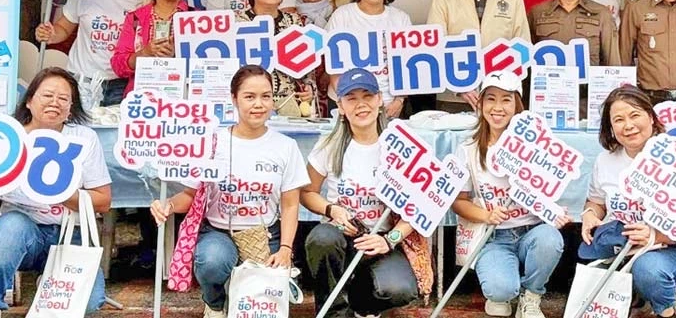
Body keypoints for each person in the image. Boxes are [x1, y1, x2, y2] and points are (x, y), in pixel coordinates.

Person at [150, 65, 309, 318]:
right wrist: (167, 205)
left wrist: (286, 249)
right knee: (211, 261)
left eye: (266, 96)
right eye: (249, 97)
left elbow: (290, 204)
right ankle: (215, 304)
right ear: (234, 99)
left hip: (265, 235)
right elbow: (189, 195)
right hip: (218, 232)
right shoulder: (213, 143)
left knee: (264, 304)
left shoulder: (286, 146)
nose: (258, 104)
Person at [0, 68, 111, 318]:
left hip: (70, 232)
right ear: (29, 101)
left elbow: (103, 201)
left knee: (89, 302)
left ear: (71, 108)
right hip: (21, 232)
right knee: (10, 228)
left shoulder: (84, 138)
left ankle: (48, 282)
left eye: (63, 98)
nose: (55, 103)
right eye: (48, 95)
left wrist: (59, 192)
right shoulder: (9, 137)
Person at [303, 68, 426, 318]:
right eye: (351, 98)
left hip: (381, 238)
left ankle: (362, 304)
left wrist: (389, 240)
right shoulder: (330, 146)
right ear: (341, 106)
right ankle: (334, 313)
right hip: (340, 235)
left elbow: (420, 206)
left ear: (380, 100)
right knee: (322, 240)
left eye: (367, 96)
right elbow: (307, 192)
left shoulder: (400, 147)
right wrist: (332, 209)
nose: (361, 105)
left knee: (400, 290)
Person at [451, 71, 568, 318]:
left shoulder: (537, 147)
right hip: (494, 237)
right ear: (480, 103)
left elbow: (549, 191)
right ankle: (502, 291)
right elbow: (459, 202)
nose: (498, 107)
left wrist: (555, 211)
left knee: (550, 239)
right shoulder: (469, 149)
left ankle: (532, 295)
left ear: (517, 105)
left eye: (506, 100)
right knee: (500, 291)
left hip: (532, 230)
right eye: (491, 99)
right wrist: (486, 215)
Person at [580, 85, 676, 318]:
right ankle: (635, 299)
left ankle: (665, 312)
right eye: (618, 120)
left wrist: (655, 236)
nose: (628, 125)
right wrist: (589, 214)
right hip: (620, 246)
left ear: (651, 117)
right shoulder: (605, 160)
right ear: (610, 127)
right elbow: (596, 201)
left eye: (635, 115)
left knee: (648, 269)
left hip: (671, 251)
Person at [34, 0, 147, 110]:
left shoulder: (145, 0)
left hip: (123, 82)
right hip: (82, 80)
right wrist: (50, 34)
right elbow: (64, 28)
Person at [428, 0, 530, 112]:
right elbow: (434, 48)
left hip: (499, 99)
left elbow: (522, 47)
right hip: (453, 98)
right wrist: (459, 87)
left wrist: (501, 87)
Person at [326, 0, 411, 117]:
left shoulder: (401, 19)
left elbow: (407, 68)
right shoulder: (341, 16)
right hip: (346, 105)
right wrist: (348, 102)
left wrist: (399, 100)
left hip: (389, 107)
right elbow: (333, 69)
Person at [238, 0, 320, 118]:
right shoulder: (239, 23)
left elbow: (306, 69)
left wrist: (309, 88)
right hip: (250, 103)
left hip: (289, 103)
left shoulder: (294, 21)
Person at [111, 0, 191, 95]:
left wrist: (177, 55)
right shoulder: (135, 18)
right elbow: (118, 65)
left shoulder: (198, 18)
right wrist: (144, 53)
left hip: (184, 97)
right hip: (142, 97)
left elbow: (208, 64)